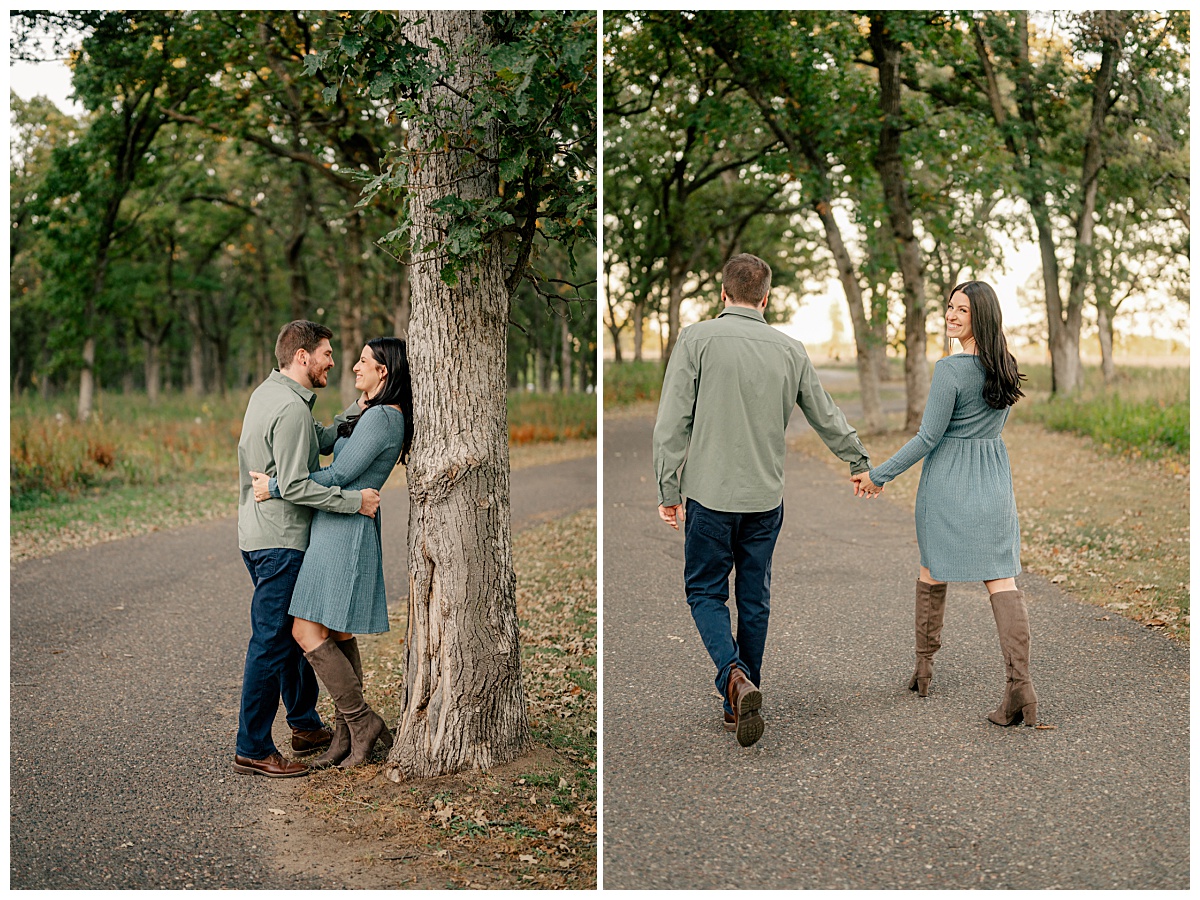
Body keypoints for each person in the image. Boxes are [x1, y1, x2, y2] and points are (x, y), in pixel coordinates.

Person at [652, 253, 873, 748]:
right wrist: (857, 460)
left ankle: (733, 678)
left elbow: (672, 424)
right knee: (754, 597)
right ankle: (742, 696)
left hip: (709, 498)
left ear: (723, 293)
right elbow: (825, 413)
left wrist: (668, 489)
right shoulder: (790, 349)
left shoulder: (697, 339)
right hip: (764, 500)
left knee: (706, 592)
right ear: (765, 298)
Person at [851, 281, 1036, 727]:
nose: (952, 315)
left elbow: (928, 437)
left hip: (949, 484)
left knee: (932, 569)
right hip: (993, 481)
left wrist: (879, 475)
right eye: (950, 307)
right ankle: (1021, 689)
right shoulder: (1005, 366)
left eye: (962, 311)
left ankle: (924, 668)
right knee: (1001, 580)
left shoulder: (950, 370)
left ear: (981, 318)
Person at [250, 337, 412, 768]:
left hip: (344, 530)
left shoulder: (383, 418)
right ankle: (345, 735)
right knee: (337, 633)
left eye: (363, 361)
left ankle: (361, 722)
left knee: (305, 632)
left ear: (385, 372)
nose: (353, 367)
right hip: (335, 523)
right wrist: (356, 407)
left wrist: (278, 486)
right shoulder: (369, 412)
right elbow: (332, 443)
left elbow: (339, 472)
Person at [234, 321, 381, 778]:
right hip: (282, 540)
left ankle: (303, 724)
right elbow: (297, 485)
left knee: (295, 633)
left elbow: (316, 441)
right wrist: (354, 502)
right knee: (273, 642)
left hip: (257, 536)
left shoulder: (269, 394)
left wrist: (356, 409)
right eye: (326, 353)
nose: (333, 362)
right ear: (302, 356)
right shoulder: (291, 410)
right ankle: (253, 746)